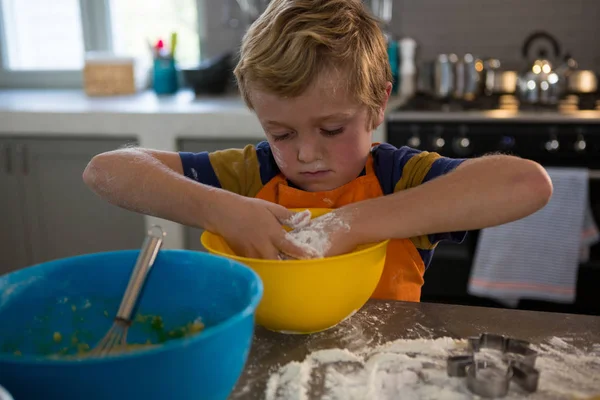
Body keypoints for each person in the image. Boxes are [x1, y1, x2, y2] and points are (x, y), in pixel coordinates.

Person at [83, 0, 552, 302]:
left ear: (378, 104)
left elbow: (527, 183)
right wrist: (220, 209)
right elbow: (107, 171)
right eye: (282, 134)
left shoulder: (398, 177)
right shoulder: (251, 175)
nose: (306, 154)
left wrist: (351, 224)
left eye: (331, 128)